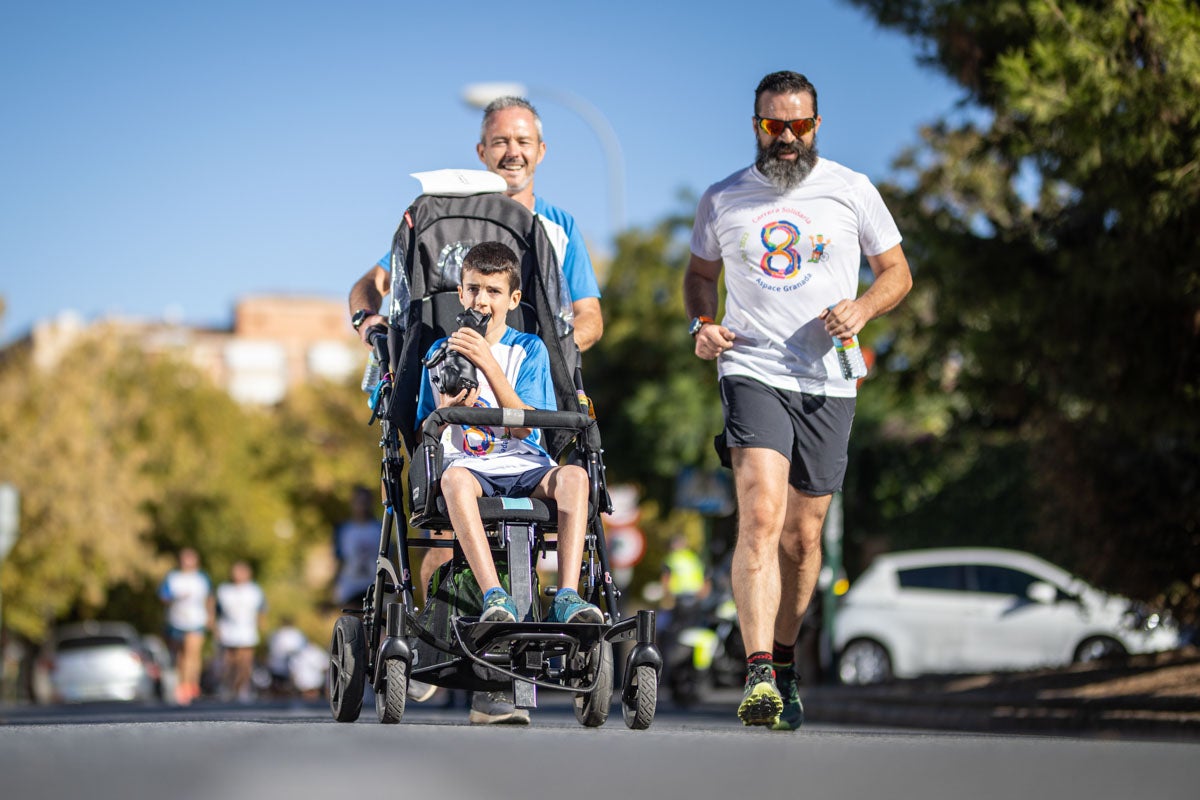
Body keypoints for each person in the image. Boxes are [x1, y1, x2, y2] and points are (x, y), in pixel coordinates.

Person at [348, 97, 606, 721]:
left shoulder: (555, 230)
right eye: (500, 141)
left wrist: (554, 348)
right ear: (482, 152)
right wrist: (375, 324)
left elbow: (589, 318)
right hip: (471, 448)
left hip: (526, 418)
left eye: (524, 140)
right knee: (448, 516)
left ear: (540, 150)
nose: (512, 151)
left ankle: (534, 635)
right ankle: (453, 634)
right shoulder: (441, 223)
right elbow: (376, 283)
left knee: (566, 480)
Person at [683, 70, 912, 730]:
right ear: (755, 124)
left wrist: (862, 308)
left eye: (798, 126)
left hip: (829, 379)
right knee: (759, 509)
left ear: (816, 126)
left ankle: (784, 661)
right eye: (772, 125)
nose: (785, 138)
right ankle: (758, 673)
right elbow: (700, 276)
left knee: (804, 536)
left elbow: (897, 272)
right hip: (751, 367)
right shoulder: (723, 198)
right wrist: (703, 327)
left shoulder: (851, 191)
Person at [417, 241, 603, 724]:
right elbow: (428, 424)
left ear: (512, 299)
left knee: (576, 477)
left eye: (493, 291)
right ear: (460, 291)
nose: (482, 299)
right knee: (454, 479)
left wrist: (489, 365)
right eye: (474, 288)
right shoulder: (441, 350)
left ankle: (566, 595)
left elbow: (526, 425)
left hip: (521, 459)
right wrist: (455, 389)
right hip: (470, 466)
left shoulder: (528, 349)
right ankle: (493, 594)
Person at [158, 547, 211, 705]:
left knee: (192, 652)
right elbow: (163, 597)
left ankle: (190, 684)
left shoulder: (202, 578)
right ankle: (183, 684)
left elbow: (209, 597)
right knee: (181, 655)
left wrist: (210, 617)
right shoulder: (173, 577)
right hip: (177, 620)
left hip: (196, 620)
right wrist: (175, 597)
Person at [210, 560, 266, 702]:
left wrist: (262, 625)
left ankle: (242, 688)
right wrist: (214, 627)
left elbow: (262, 609)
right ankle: (228, 687)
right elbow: (215, 610)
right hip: (228, 630)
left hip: (247, 631)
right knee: (229, 662)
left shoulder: (254, 590)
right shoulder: (224, 590)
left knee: (245, 662)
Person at [332, 485, 381, 610]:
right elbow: (339, 560)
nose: (362, 506)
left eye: (365, 502)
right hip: (350, 587)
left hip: (375, 586)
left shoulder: (379, 529)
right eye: (359, 502)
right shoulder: (344, 530)